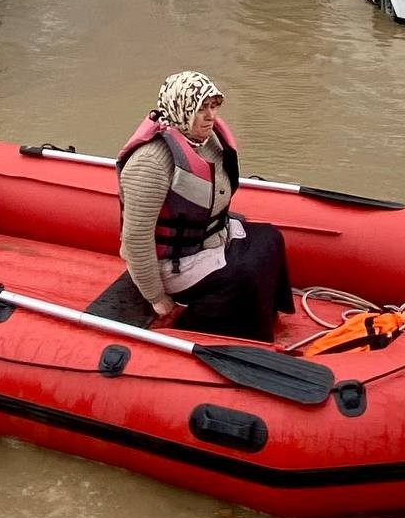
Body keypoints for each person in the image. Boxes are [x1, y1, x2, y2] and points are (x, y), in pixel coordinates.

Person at [113, 71, 291, 341]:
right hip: (174, 262)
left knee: (271, 239)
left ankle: (267, 318)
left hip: (209, 239)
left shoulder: (206, 141)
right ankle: (215, 331)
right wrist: (156, 297)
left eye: (213, 106)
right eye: (201, 109)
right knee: (244, 277)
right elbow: (136, 239)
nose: (211, 116)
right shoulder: (150, 164)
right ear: (181, 108)